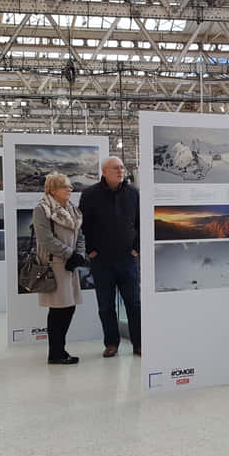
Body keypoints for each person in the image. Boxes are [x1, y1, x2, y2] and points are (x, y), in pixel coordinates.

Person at [79, 156, 141, 357]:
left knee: (134, 304)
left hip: (127, 259)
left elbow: (141, 223)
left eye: (122, 167)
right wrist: (91, 250)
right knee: (105, 305)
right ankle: (111, 343)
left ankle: (138, 344)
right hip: (101, 261)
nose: (121, 171)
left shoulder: (134, 193)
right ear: (104, 171)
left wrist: (137, 248)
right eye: (116, 168)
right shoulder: (90, 195)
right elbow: (84, 226)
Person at [33, 173, 86, 365]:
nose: (70, 189)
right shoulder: (42, 209)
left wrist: (78, 254)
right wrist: (70, 254)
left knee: (68, 308)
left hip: (69, 265)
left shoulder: (72, 209)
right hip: (54, 264)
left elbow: (80, 235)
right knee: (58, 310)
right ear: (53, 189)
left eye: (70, 186)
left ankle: (59, 350)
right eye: (65, 186)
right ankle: (55, 353)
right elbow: (45, 239)